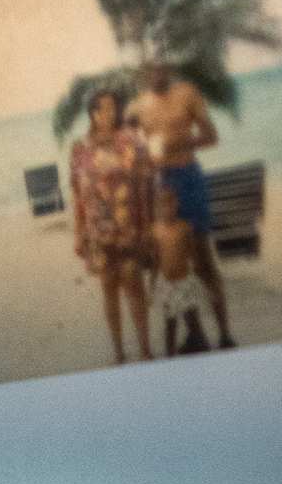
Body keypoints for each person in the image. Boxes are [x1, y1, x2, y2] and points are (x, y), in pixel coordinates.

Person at [128, 61, 236, 349]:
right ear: (144, 74)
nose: (156, 74)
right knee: (172, 264)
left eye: (161, 69)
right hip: (163, 183)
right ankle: (197, 334)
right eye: (149, 70)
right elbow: (138, 148)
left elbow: (211, 136)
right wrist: (142, 156)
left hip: (189, 179)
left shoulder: (186, 94)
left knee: (203, 261)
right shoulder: (141, 105)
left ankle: (225, 334)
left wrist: (177, 144)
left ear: (168, 70)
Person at [68, 87, 154, 366]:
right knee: (109, 290)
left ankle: (145, 349)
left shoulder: (129, 139)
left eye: (113, 108)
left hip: (128, 228)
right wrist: (79, 233)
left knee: (135, 287)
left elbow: (146, 179)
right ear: (93, 114)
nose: (111, 113)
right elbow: (78, 196)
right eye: (104, 108)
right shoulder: (79, 148)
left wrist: (147, 226)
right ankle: (119, 352)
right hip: (98, 231)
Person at [149, 181, 210, 355]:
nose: (166, 209)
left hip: (185, 283)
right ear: (156, 208)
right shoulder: (155, 230)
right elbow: (155, 261)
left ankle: (201, 345)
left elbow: (194, 256)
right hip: (167, 285)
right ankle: (170, 355)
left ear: (176, 203)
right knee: (170, 321)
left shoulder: (184, 227)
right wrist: (152, 286)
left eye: (169, 203)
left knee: (192, 319)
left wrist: (201, 279)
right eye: (161, 204)